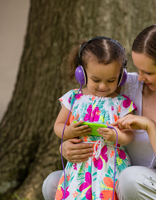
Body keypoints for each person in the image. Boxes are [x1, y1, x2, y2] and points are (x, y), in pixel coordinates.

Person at [43, 24, 156, 200]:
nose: (140, 77)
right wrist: (68, 147)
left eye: (148, 72)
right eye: (138, 69)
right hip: (126, 183)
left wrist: (150, 126)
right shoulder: (126, 86)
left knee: (131, 180)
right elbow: (87, 105)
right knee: (53, 183)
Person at [53, 37, 137, 200]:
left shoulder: (123, 103)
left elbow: (130, 134)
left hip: (110, 165)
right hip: (80, 165)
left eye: (111, 80)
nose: (103, 86)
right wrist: (69, 131)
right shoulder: (73, 98)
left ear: (121, 77)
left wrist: (116, 136)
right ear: (82, 74)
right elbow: (58, 126)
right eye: (96, 80)